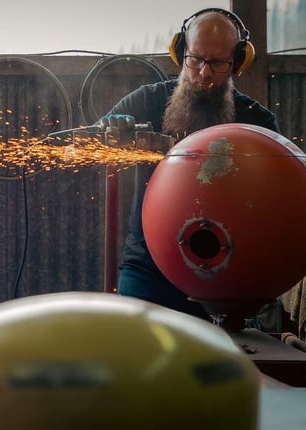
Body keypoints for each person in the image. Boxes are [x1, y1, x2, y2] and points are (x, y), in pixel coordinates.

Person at [98, 8, 280, 319]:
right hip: (148, 271)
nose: (204, 73)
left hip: (228, 278)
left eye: (218, 62)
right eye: (195, 59)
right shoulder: (146, 102)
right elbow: (91, 143)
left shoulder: (258, 123)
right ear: (181, 52)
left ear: (237, 62)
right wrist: (108, 130)